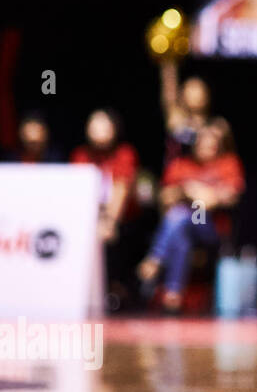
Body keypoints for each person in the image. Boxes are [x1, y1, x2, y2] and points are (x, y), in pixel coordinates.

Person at [138, 119, 244, 313]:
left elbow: (225, 198)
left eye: (212, 144)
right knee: (181, 230)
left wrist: (202, 193)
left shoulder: (227, 164)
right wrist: (185, 190)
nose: (207, 147)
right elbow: (164, 197)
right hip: (184, 226)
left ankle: (156, 257)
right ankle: (173, 295)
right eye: (202, 143)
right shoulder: (181, 165)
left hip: (211, 229)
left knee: (183, 214)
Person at [71, 109, 140, 302]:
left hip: (123, 219)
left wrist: (109, 221)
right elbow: (76, 193)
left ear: (114, 129)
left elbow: (120, 190)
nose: (99, 130)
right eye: (94, 125)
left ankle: (116, 288)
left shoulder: (124, 154)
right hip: (88, 217)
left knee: (110, 237)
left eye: (104, 125)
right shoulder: (80, 155)